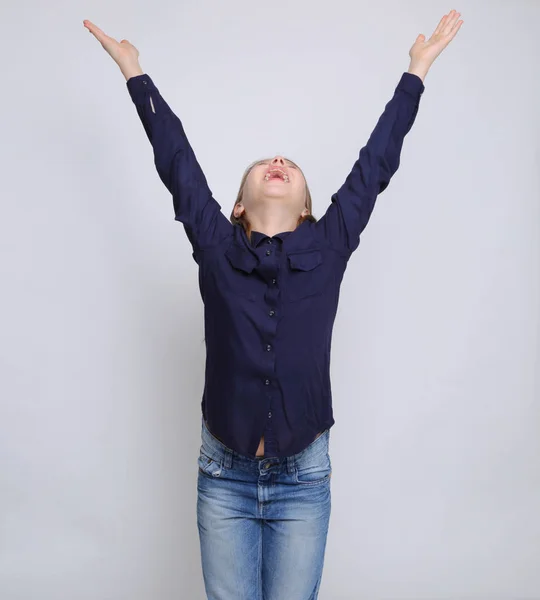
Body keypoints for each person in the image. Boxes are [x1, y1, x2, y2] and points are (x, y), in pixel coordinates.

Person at [83, 10, 463, 599]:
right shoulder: (215, 244)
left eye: (289, 164)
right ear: (238, 204)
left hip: (303, 477)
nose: (277, 163)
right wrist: (134, 71)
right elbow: (176, 162)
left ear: (308, 205)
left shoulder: (330, 243)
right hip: (224, 474)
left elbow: (375, 164)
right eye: (264, 164)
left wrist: (416, 70)